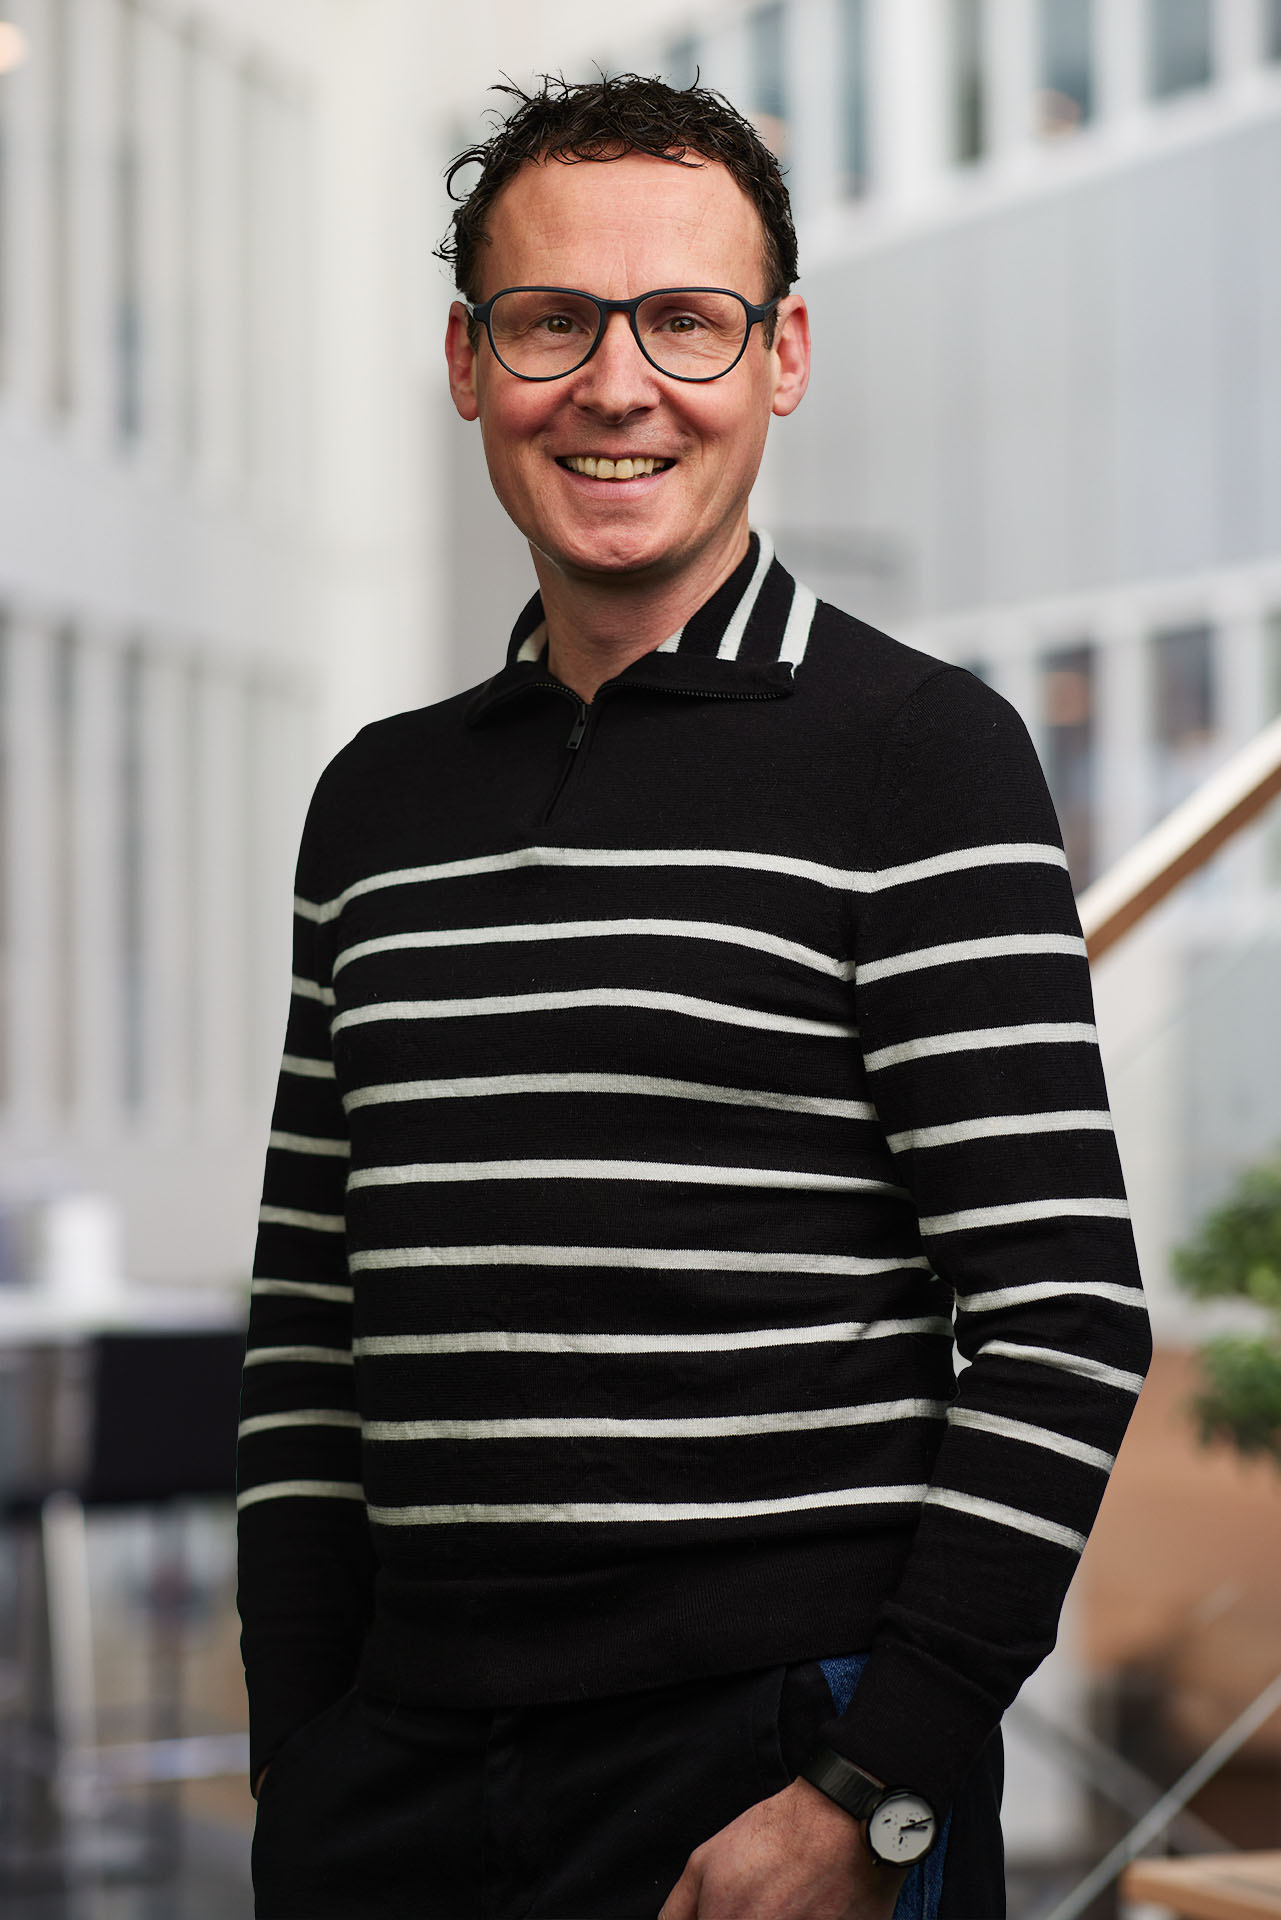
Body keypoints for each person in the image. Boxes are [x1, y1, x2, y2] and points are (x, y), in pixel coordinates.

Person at [236, 72, 1152, 1920]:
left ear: (780, 355)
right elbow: (309, 1340)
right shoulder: (377, 803)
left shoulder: (917, 756)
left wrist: (869, 1791)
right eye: (549, 320)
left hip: (773, 1772)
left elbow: (1064, 1322)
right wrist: (300, 1771)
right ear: (467, 361)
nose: (616, 383)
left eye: (685, 319)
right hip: (399, 1780)